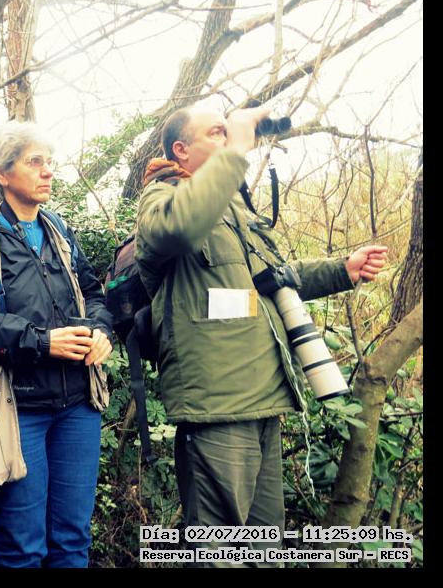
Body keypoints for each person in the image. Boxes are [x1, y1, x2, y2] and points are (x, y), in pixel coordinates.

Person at [135, 104, 387, 567]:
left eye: (226, 131)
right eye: (216, 132)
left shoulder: (233, 207)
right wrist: (236, 147)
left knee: (261, 549)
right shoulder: (162, 198)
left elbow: (273, 278)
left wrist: (341, 270)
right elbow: (180, 228)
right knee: (217, 552)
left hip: (264, 396)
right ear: (181, 150)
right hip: (217, 404)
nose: (227, 137)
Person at [0, 121, 114, 567]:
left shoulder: (59, 231)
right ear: (2, 172)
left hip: (78, 406)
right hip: (17, 410)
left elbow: (94, 294)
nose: (48, 171)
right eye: (35, 162)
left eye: (50, 162)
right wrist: (41, 343)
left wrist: (101, 332)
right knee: (22, 548)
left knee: (73, 540)